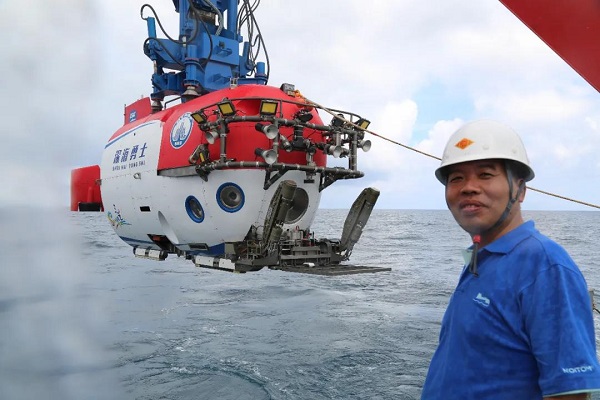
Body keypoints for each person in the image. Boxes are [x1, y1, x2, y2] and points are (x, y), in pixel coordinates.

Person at [421, 120, 600, 399]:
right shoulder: (482, 259)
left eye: (485, 174)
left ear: (520, 189)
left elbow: (570, 392)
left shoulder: (545, 265)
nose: (468, 187)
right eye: (456, 178)